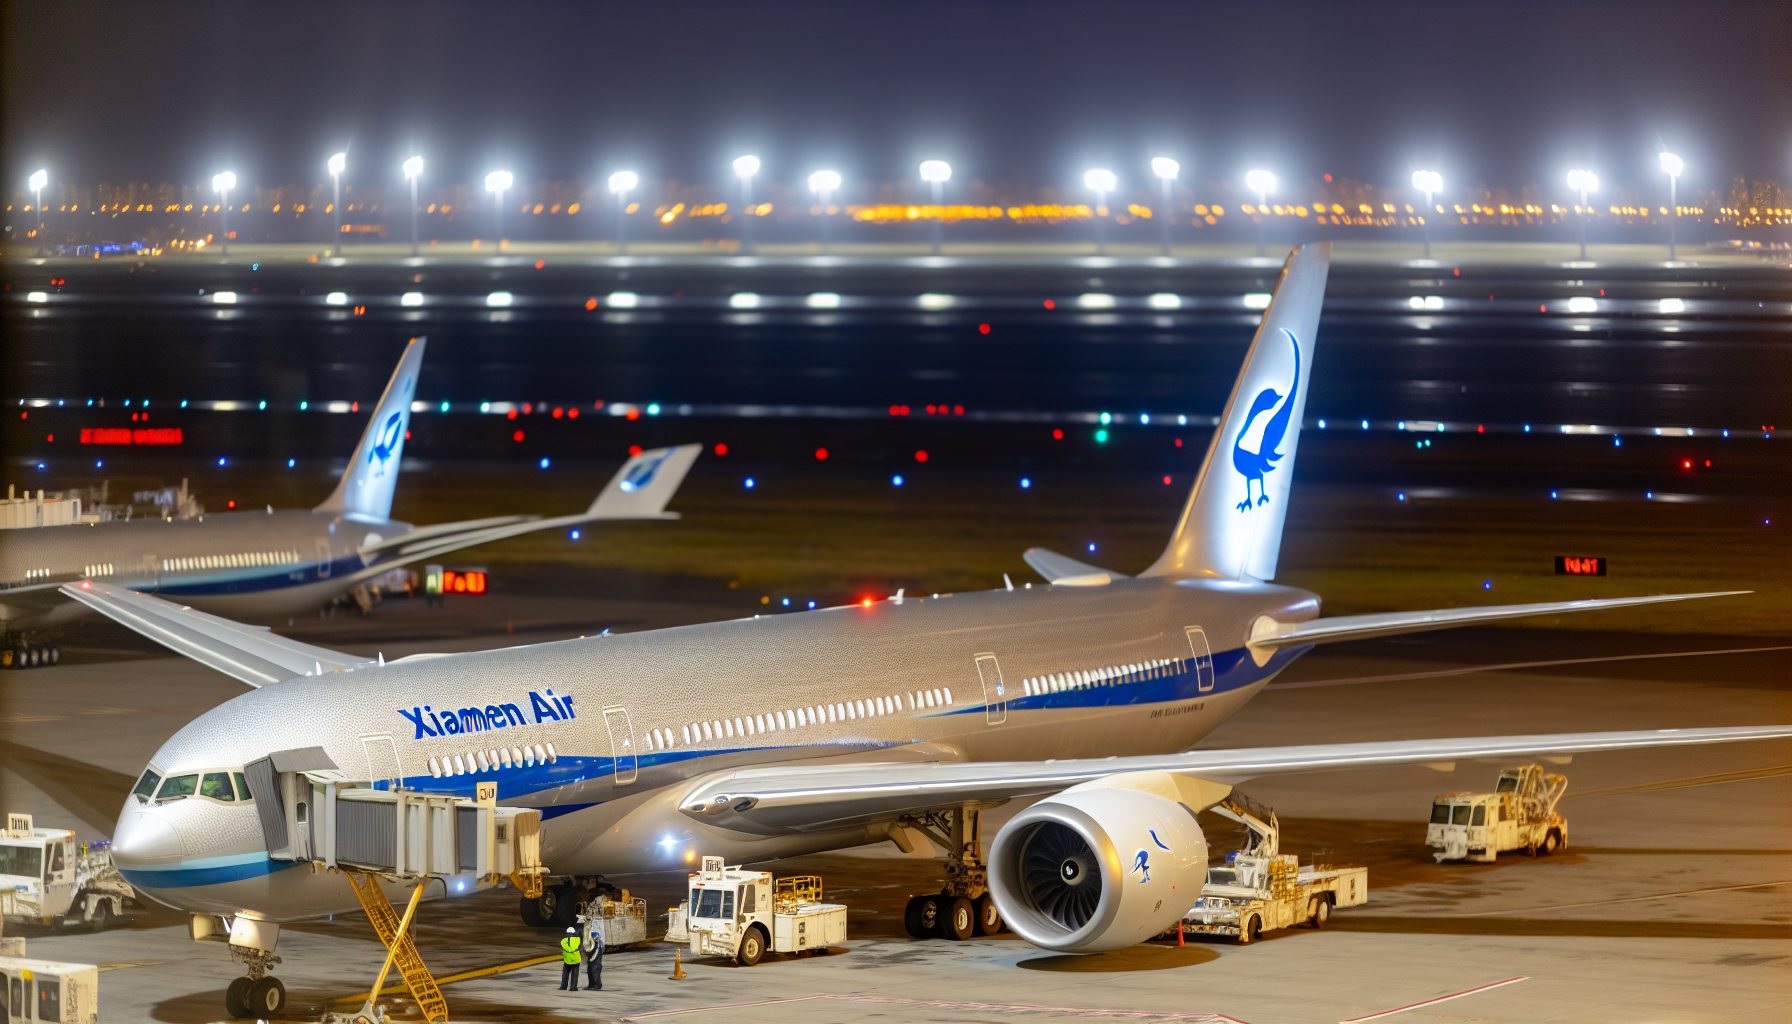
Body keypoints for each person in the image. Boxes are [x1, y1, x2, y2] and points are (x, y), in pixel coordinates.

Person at [584, 923, 605, 991]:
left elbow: (594, 953)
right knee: (590, 972)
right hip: (593, 962)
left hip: (595, 962)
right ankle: (591, 984)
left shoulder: (597, 945)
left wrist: (590, 959)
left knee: (594, 972)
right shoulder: (596, 944)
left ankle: (597, 985)